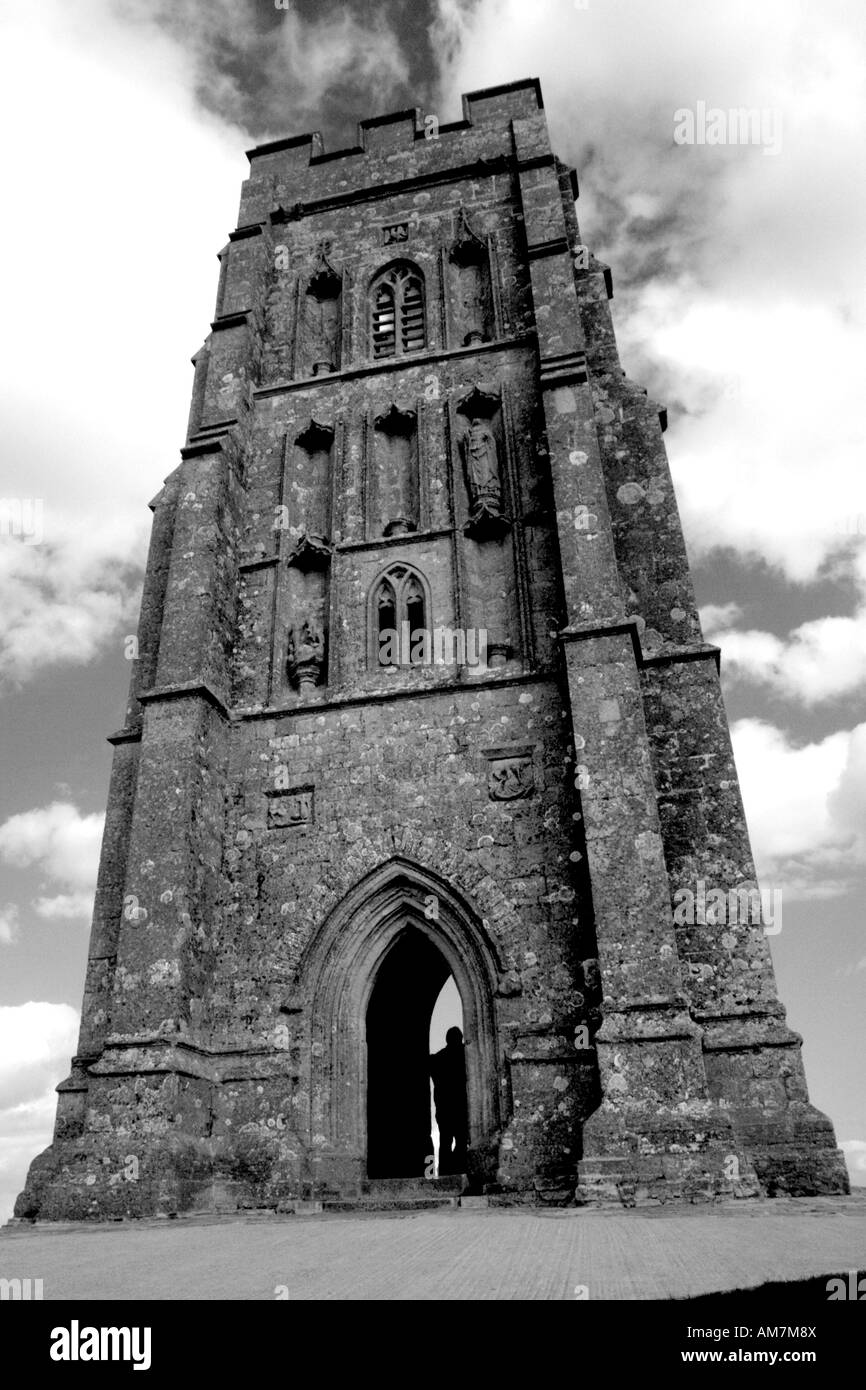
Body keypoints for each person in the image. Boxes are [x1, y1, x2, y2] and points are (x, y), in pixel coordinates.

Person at [429, 1027, 468, 1175]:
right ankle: (459, 1169)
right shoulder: (465, 1054)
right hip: (460, 1106)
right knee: (461, 1140)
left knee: (446, 1140)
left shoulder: (437, 1059)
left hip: (444, 1108)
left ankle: (446, 1172)